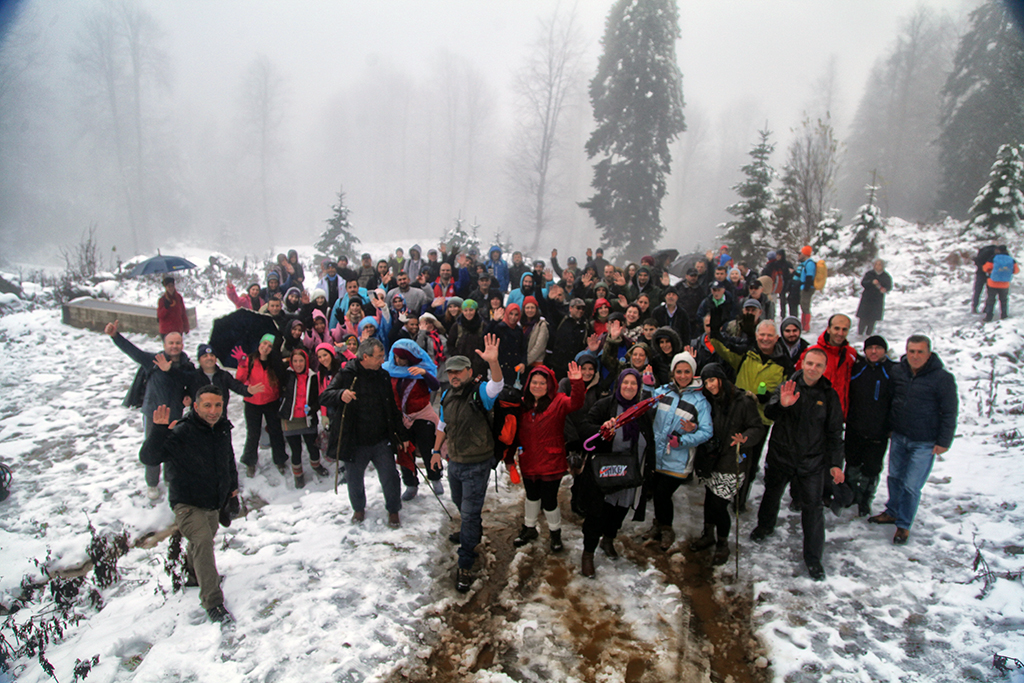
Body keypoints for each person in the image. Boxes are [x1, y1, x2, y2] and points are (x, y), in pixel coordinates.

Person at [140, 386, 238, 623]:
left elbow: (228, 459)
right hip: (186, 502)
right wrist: (159, 430)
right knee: (203, 540)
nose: (213, 411)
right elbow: (150, 457)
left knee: (203, 540)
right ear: (195, 406)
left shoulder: (223, 428)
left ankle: (194, 575)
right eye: (207, 405)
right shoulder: (183, 431)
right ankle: (213, 601)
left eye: (217, 405)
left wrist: (232, 489)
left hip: (213, 500)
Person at [750, 348, 845, 581]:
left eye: (818, 366)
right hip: (781, 454)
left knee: (813, 509)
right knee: (772, 494)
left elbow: (834, 432)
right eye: (810, 363)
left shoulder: (829, 396)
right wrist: (783, 404)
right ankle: (764, 526)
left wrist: (835, 464)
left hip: (811, 461)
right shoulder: (787, 386)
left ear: (824, 369)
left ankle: (813, 558)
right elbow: (770, 413)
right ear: (802, 363)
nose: (813, 369)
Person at [430, 336, 504, 592]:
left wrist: (493, 362)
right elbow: (442, 423)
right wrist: (435, 451)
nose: (454, 376)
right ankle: (470, 531)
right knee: (461, 505)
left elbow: (497, 385)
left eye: (458, 371)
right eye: (450, 372)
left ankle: (466, 561)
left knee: (470, 512)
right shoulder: (448, 395)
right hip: (456, 461)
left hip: (477, 463)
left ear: (469, 371)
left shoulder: (479, 391)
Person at [869, 335, 958, 545]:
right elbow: (892, 400)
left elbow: (949, 411)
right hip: (900, 436)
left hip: (925, 441)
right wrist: (890, 427)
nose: (915, 356)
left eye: (920, 352)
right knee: (894, 477)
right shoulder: (899, 372)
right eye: (911, 351)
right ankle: (892, 511)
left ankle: (903, 525)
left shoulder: (942, 378)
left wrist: (944, 441)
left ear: (929, 353)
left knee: (911, 485)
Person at [320, 338, 407, 528]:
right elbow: (325, 396)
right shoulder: (346, 374)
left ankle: (393, 510)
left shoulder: (382, 375)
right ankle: (358, 508)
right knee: (354, 479)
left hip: (381, 438)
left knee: (390, 476)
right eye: (378, 357)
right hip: (355, 440)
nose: (382, 361)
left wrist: (401, 434)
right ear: (365, 357)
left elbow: (392, 406)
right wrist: (340, 394)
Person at [578, 369, 656, 578]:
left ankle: (609, 539)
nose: (629, 387)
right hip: (604, 472)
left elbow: (650, 441)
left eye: (634, 384)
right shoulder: (605, 406)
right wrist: (601, 430)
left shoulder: (642, 412)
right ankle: (588, 554)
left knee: (619, 510)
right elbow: (584, 427)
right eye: (626, 383)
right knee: (597, 514)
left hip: (629, 472)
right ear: (619, 384)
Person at [106, 320, 194, 500]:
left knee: (173, 447)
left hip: (175, 413)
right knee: (153, 447)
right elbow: (133, 352)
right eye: (171, 343)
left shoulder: (187, 365)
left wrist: (189, 396)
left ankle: (170, 478)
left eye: (178, 343)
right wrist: (115, 336)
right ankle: (152, 483)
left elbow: (191, 383)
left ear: (182, 345)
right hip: (153, 412)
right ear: (164, 345)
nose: (174, 346)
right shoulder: (153, 361)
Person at [708, 319, 790, 511]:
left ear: (776, 338)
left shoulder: (783, 363)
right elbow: (724, 353)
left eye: (769, 335)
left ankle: (740, 500)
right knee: (730, 456)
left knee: (750, 463)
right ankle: (723, 494)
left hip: (761, 419)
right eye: (762, 335)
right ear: (756, 336)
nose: (765, 339)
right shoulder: (747, 355)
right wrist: (714, 333)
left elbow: (785, 391)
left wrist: (769, 398)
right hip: (736, 415)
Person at [689, 363, 765, 565]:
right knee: (709, 498)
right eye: (706, 382)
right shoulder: (709, 401)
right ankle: (708, 534)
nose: (710, 385)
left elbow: (757, 427)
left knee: (719, 505)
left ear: (721, 378)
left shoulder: (743, 401)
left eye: (712, 380)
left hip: (731, 461)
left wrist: (745, 438)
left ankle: (722, 543)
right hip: (711, 458)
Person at [512, 362, 586, 551]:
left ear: (549, 385)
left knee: (550, 500)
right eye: (534, 383)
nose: (537, 386)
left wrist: (577, 382)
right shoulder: (522, 404)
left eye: (542, 383)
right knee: (531, 496)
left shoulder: (559, 401)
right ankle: (529, 528)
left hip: (551, 462)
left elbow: (576, 403)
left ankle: (555, 534)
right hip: (528, 460)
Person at [648, 352, 712, 550]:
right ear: (673, 372)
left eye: (687, 372)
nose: (683, 376)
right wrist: (647, 386)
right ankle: (657, 526)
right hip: (658, 456)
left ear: (693, 373)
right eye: (679, 371)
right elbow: (646, 405)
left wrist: (683, 441)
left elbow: (707, 431)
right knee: (657, 494)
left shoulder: (700, 401)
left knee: (662, 495)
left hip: (678, 459)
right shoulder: (663, 392)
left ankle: (667, 529)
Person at [383, 339, 444, 500]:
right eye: (396, 357)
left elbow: (435, 386)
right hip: (401, 417)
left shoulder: (421, 369)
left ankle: (435, 477)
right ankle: (410, 483)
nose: (398, 361)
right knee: (404, 451)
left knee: (427, 448)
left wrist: (424, 374)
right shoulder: (389, 371)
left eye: (402, 358)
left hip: (421, 414)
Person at [844, 336, 895, 516]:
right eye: (870, 348)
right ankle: (849, 495)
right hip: (855, 426)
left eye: (878, 348)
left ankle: (865, 499)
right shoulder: (857, 368)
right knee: (852, 463)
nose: (874, 352)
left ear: (884, 351)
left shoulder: (892, 370)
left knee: (872, 469)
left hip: (879, 430)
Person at [233, 334, 289, 478]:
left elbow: (281, 379)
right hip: (252, 403)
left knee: (276, 432)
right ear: (259, 344)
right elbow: (240, 380)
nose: (266, 348)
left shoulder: (274, 362)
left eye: (269, 346)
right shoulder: (250, 360)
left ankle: (280, 459)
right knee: (253, 433)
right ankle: (250, 461)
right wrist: (241, 364)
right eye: (264, 344)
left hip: (271, 401)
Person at [278, 348, 329, 488]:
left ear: (306, 361)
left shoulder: (313, 377)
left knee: (313, 446)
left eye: (301, 361)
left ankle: (316, 465)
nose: (298, 364)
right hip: (290, 418)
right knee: (296, 450)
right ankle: (298, 475)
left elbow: (318, 398)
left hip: (307, 418)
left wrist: (312, 409)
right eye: (295, 361)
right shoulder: (286, 374)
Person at [188, 343, 259, 411]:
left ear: (216, 359)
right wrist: (186, 396)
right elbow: (183, 389)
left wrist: (248, 390)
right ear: (199, 360)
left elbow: (237, 386)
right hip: (198, 418)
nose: (209, 358)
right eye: (205, 356)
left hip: (219, 417)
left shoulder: (224, 375)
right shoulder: (193, 376)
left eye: (212, 355)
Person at [982, 245, 1020, 322]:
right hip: (1005, 283)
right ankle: (1004, 315)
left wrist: (990, 271)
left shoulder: (993, 258)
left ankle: (988, 317)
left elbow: (985, 268)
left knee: (991, 300)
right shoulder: (1011, 259)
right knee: (1004, 300)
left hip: (993, 283)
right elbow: (1016, 271)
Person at [856, 259, 893, 336]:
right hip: (867, 298)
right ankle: (860, 333)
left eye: (880, 264)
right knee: (863, 318)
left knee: (872, 318)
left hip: (877, 299)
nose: (878, 266)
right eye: (876, 264)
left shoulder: (886, 276)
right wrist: (871, 282)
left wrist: (885, 289)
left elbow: (889, 286)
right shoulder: (869, 274)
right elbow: (863, 283)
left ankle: (869, 333)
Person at [971, 243, 999, 314]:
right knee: (990, 292)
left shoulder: (983, 252)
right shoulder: (995, 253)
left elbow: (977, 261)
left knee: (977, 291)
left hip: (980, 273)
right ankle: (987, 308)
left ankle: (974, 307)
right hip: (991, 274)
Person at [797, 245, 817, 331]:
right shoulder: (805, 264)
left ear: (805, 254)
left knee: (805, 306)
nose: (799, 255)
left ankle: (806, 326)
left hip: (807, 288)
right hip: (804, 287)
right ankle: (803, 325)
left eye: (801, 253)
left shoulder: (809, 264)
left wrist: (806, 288)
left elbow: (809, 276)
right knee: (803, 305)